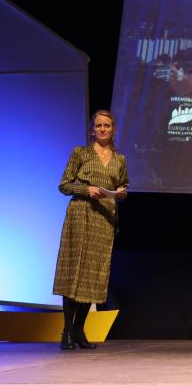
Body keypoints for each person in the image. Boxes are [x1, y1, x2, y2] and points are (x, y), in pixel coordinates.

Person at [53, 110, 128, 350]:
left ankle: (79, 330)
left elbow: (122, 185)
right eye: (98, 125)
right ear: (92, 129)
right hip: (80, 215)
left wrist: (121, 193)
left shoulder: (120, 160)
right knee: (73, 270)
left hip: (104, 220)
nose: (103, 129)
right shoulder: (81, 153)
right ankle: (66, 331)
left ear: (113, 129)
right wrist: (88, 190)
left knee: (92, 276)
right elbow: (64, 185)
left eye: (107, 125)